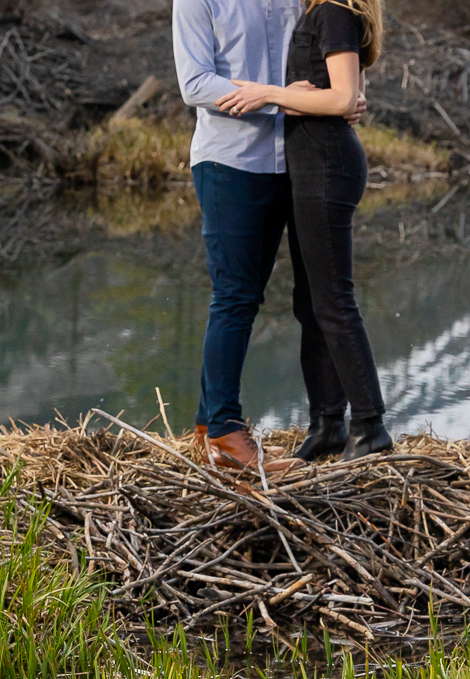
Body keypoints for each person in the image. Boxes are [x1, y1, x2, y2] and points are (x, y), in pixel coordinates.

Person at [172, 0, 367, 474]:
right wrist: (274, 96)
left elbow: (321, 67)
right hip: (229, 162)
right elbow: (194, 83)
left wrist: (350, 96)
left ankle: (207, 426)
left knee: (277, 297)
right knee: (235, 295)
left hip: (295, 163)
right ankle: (223, 430)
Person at [216, 0, 394, 462]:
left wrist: (269, 93)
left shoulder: (332, 12)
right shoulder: (313, 12)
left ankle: (370, 425)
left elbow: (339, 97)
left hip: (327, 167)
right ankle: (328, 424)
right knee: (311, 303)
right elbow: (338, 95)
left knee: (333, 300)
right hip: (311, 167)